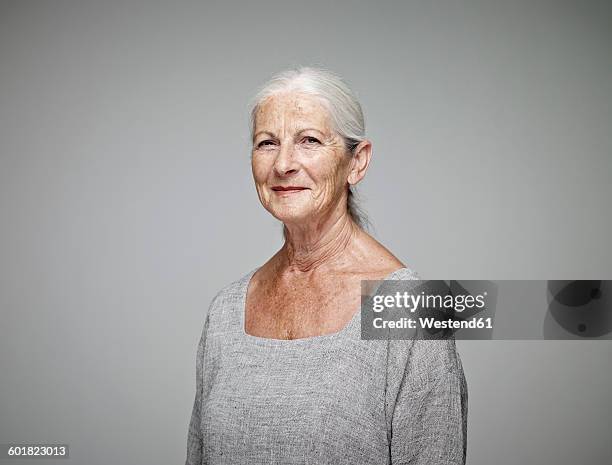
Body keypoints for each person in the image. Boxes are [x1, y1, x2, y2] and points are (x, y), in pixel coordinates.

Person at [185, 67, 468, 464]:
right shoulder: (226, 311)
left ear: (357, 162)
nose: (283, 163)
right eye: (267, 142)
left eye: (309, 141)